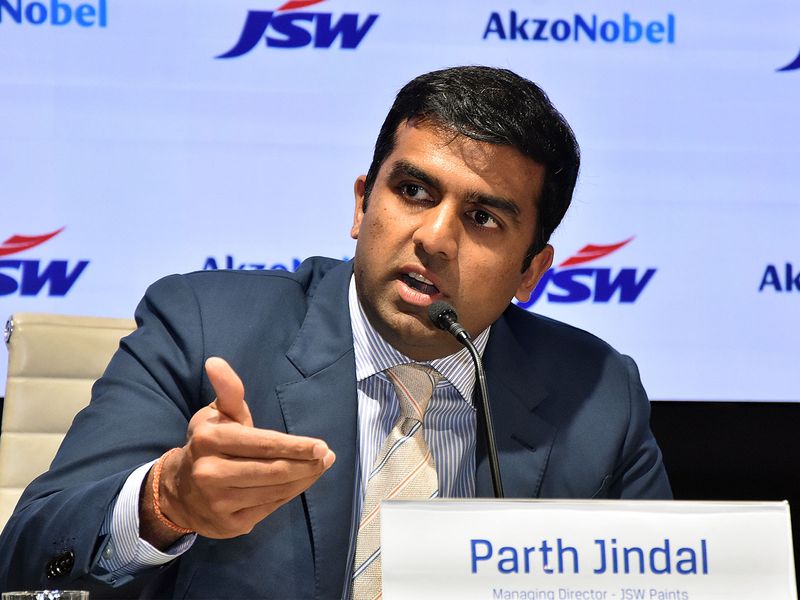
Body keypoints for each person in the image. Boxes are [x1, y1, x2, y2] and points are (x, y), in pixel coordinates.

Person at [0, 66, 671, 598]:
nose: (435, 238)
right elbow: (27, 560)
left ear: (531, 271)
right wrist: (165, 502)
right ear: (361, 203)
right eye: (414, 191)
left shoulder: (598, 396)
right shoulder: (206, 327)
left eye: (483, 218)